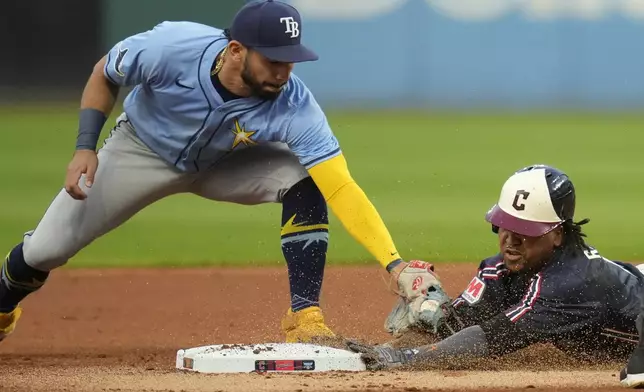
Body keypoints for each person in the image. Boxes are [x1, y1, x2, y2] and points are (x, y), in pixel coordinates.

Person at [0, 0, 439, 344]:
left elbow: (340, 185)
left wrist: (393, 263)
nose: (285, 72)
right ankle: (4, 305)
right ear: (236, 51)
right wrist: (84, 147)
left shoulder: (294, 102)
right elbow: (105, 72)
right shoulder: (170, 48)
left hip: (224, 163)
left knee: (303, 181)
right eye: (274, 61)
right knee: (44, 251)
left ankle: (304, 315)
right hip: (141, 150)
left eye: (291, 61)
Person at [348, 164, 644, 370]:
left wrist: (405, 357)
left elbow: (492, 336)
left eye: (524, 229)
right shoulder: (499, 270)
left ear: (556, 234)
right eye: (505, 225)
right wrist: (432, 312)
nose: (510, 241)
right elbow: (457, 324)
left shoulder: (570, 281)